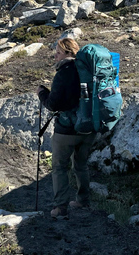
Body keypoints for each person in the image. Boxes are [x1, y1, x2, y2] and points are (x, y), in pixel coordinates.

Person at [37, 37, 96, 220]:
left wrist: (42, 93)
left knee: (59, 167)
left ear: (68, 53)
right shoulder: (87, 69)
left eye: (58, 52)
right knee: (81, 165)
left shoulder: (64, 72)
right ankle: (83, 201)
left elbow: (53, 104)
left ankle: (60, 208)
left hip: (66, 130)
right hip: (88, 127)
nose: (55, 55)